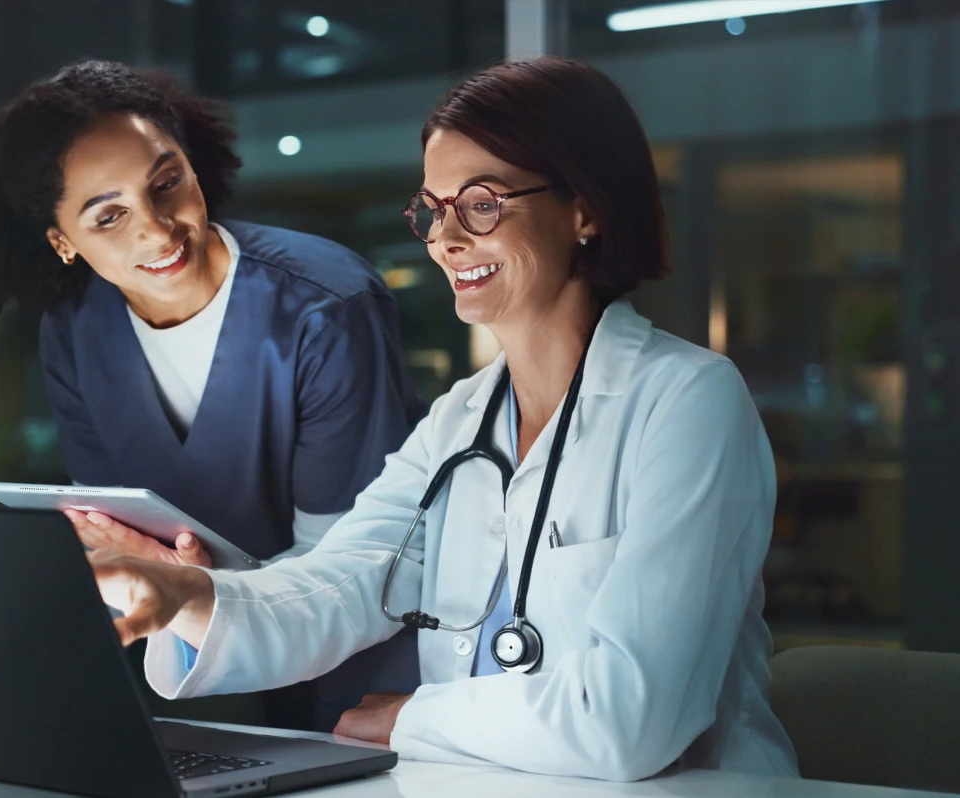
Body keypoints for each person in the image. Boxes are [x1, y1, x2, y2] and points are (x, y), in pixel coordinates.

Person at [86, 56, 800, 781]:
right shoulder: (460, 421)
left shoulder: (689, 401)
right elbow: (342, 583)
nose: (444, 239)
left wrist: (411, 718)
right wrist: (184, 596)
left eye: (482, 204)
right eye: (433, 208)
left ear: (584, 207)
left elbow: (629, 719)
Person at [0, 59, 423, 731]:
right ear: (62, 241)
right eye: (108, 217)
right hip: (198, 676)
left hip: (357, 679)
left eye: (166, 182)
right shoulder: (77, 330)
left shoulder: (324, 306)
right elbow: (118, 540)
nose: (157, 228)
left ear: (193, 167)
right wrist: (166, 579)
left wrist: (189, 582)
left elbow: (347, 571)